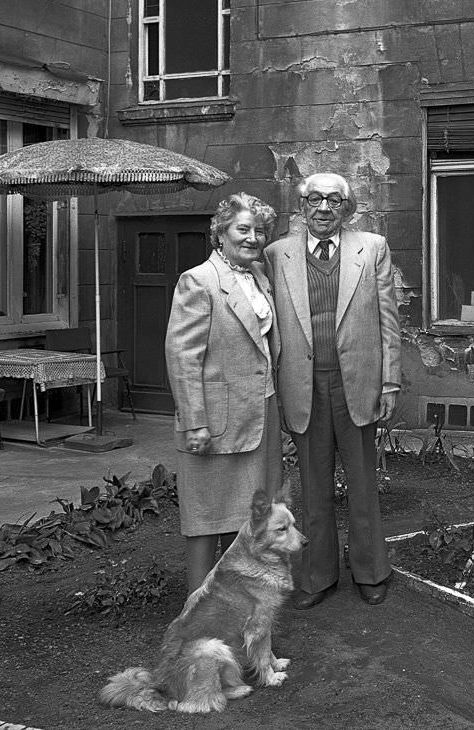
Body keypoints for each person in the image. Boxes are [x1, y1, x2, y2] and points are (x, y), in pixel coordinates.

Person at [264, 172, 400, 607]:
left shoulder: (371, 248)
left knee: (363, 483)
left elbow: (388, 322)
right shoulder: (276, 254)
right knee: (312, 484)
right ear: (302, 207)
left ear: (347, 208)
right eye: (315, 200)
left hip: (355, 383)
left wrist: (390, 381)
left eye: (334, 201)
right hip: (302, 384)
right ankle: (317, 576)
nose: (324, 208)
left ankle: (371, 571)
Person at [164, 192, 282, 594]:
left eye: (259, 231)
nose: (252, 237)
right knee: (207, 518)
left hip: (261, 411)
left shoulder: (259, 277)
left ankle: (242, 605)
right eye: (243, 229)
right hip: (214, 420)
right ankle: (200, 616)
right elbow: (182, 356)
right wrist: (194, 421)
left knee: (251, 515)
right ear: (221, 233)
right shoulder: (199, 280)